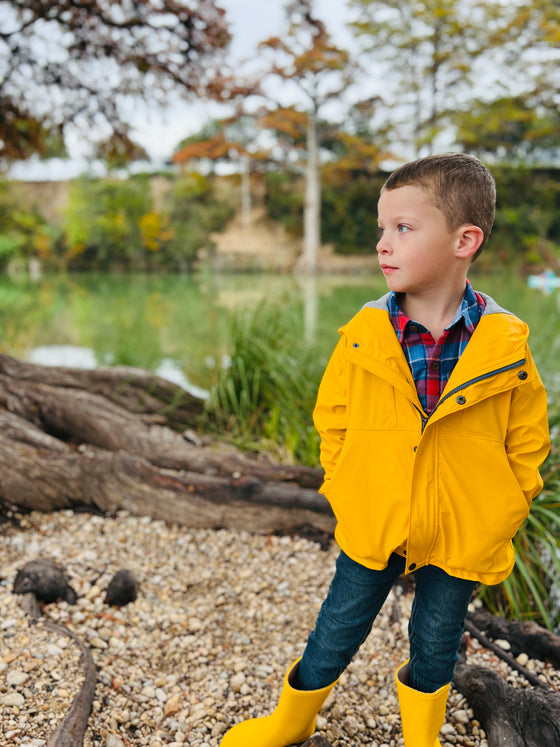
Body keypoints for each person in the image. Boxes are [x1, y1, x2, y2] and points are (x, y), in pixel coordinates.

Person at [220, 153, 550, 747]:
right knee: (340, 622)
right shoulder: (364, 333)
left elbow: (527, 439)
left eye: (403, 228)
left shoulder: (505, 342)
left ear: (464, 240)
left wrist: (509, 501)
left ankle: (419, 735)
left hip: (463, 520)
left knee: (437, 635)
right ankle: (293, 717)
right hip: (377, 512)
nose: (383, 244)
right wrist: (347, 486)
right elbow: (333, 420)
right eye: (382, 229)